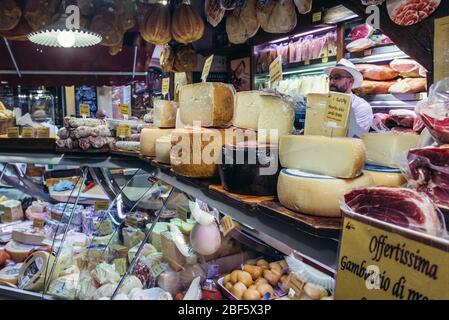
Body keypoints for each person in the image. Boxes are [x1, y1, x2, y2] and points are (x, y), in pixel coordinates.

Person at [324, 59, 373, 138]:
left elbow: (358, 137)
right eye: (330, 78)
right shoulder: (322, 102)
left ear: (351, 81)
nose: (331, 82)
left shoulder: (361, 106)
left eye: (337, 77)